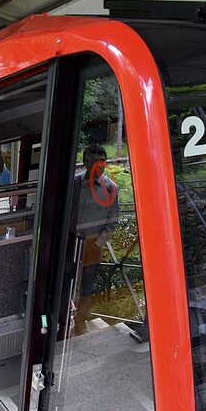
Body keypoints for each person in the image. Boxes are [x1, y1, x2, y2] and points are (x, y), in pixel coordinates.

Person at [72, 143, 119, 334]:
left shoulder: (110, 188)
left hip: (92, 245)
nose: (100, 165)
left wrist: (97, 244)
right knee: (66, 282)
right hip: (70, 242)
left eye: (103, 161)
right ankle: (63, 320)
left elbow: (112, 222)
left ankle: (80, 320)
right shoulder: (74, 183)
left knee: (87, 286)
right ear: (85, 162)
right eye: (95, 161)